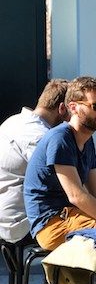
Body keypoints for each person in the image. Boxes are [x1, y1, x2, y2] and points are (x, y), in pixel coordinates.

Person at [24, 77, 96, 255]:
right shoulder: (60, 138)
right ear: (73, 108)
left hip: (73, 216)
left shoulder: (87, 140)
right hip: (53, 223)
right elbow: (76, 195)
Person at [1, 79, 68, 244]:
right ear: (62, 108)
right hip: (21, 222)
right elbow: (63, 181)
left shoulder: (12, 122)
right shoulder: (40, 135)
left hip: (5, 217)